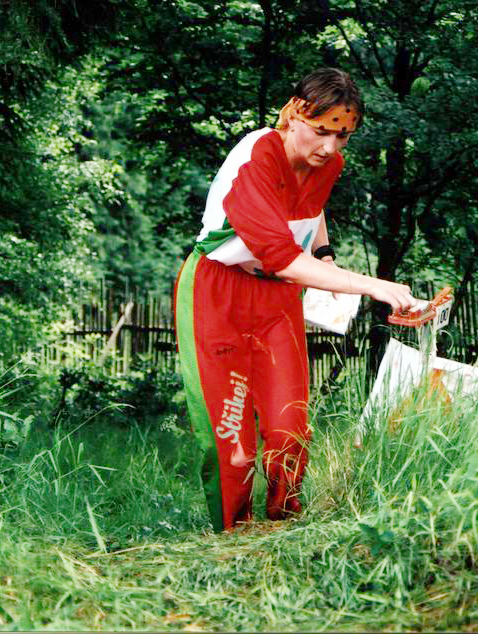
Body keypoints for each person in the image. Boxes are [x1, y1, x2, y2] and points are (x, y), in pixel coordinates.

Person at [174, 67, 416, 533]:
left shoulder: (327, 164)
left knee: (290, 424)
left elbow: (309, 208)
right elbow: (282, 256)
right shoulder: (258, 155)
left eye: (343, 137)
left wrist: (324, 256)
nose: (330, 147)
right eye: (321, 131)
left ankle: (284, 524)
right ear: (293, 114)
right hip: (220, 290)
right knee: (232, 436)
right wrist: (369, 284)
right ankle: (233, 535)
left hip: (278, 296)